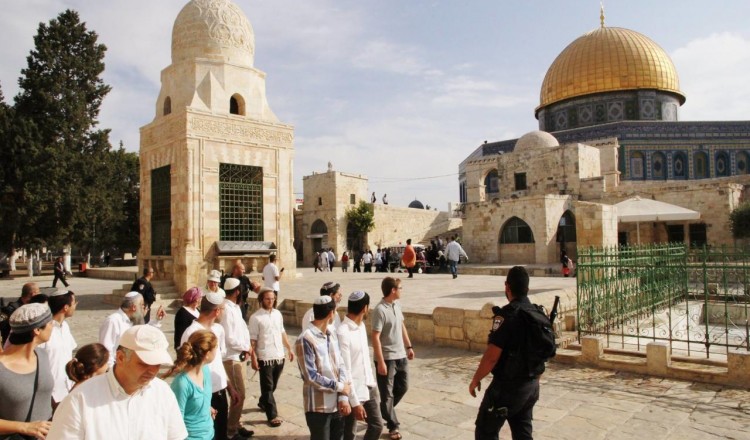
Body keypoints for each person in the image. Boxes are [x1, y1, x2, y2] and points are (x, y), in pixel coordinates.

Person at [48, 325, 188, 440]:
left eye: (157, 364)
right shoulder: (80, 400)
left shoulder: (163, 393)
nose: (152, 371)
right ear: (120, 358)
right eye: (144, 363)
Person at [469, 266, 540, 440]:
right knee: (523, 433)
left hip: (506, 388)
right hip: (530, 386)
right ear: (527, 288)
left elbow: (492, 357)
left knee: (485, 432)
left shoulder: (507, 316)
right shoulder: (537, 314)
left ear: (507, 286)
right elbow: (544, 351)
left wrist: (476, 379)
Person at [181, 291, 244, 440]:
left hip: (220, 393)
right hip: (203, 395)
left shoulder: (218, 330)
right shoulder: (191, 333)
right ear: (217, 311)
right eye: (223, 309)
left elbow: (218, 362)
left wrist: (229, 387)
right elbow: (186, 367)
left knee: (221, 434)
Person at [295, 296, 352, 440]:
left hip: (336, 405)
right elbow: (311, 376)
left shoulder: (331, 334)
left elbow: (341, 365)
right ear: (331, 313)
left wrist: (343, 396)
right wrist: (340, 387)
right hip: (318, 408)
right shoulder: (305, 338)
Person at [0, 303, 54, 439]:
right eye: (50, 323)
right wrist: (24, 427)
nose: (53, 326)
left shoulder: (42, 355)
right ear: (37, 330)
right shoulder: (2, 368)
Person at [372, 277, 415, 440]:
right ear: (393, 290)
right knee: (387, 394)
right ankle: (393, 426)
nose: (402, 290)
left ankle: (381, 411)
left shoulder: (397, 305)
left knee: (403, 387)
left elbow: (401, 325)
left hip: (401, 355)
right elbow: (375, 337)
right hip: (387, 358)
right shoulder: (379, 310)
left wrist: (409, 346)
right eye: (400, 288)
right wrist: (380, 361)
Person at [337, 291, 383, 440]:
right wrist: (355, 403)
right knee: (349, 433)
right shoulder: (343, 332)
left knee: (377, 425)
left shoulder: (361, 326)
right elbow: (345, 371)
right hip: (353, 390)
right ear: (365, 308)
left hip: (369, 385)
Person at [249, 287, 294, 428]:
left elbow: (282, 332)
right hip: (265, 356)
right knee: (267, 386)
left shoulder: (278, 314)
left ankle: (263, 402)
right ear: (261, 300)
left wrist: (289, 348)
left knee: (273, 385)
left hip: (279, 354)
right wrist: (253, 358)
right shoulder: (255, 318)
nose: (271, 301)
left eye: (273, 299)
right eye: (268, 299)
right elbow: (253, 340)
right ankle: (272, 415)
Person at [165, 330, 218, 440]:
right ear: (207, 354)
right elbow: (175, 419)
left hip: (209, 435)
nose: (217, 350)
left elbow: (198, 400)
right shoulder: (182, 383)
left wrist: (206, 408)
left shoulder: (205, 370)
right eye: (216, 347)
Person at [219, 278, 255, 440]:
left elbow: (243, 330)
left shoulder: (234, 307)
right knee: (238, 394)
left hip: (239, 355)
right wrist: (245, 347)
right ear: (237, 292)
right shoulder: (227, 309)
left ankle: (236, 423)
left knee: (241, 392)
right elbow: (229, 337)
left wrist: (248, 347)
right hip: (231, 358)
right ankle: (231, 430)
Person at [99, 291, 165, 368]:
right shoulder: (113, 321)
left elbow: (144, 331)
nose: (144, 308)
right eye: (142, 305)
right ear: (134, 307)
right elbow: (106, 349)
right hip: (116, 368)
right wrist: (112, 369)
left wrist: (157, 320)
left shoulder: (132, 319)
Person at [39, 288, 78, 406]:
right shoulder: (44, 329)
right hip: (50, 393)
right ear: (66, 307)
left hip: (67, 388)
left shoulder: (65, 326)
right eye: (74, 303)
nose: (75, 306)